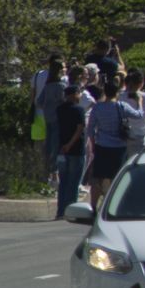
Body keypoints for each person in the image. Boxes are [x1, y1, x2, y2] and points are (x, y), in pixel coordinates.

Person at [84, 85, 143, 209]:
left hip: (102, 146)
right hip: (119, 147)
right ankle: (114, 205)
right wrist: (140, 102)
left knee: (98, 177)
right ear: (116, 93)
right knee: (116, 177)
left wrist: (94, 143)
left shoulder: (97, 107)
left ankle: (93, 206)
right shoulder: (121, 106)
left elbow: (90, 129)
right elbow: (139, 115)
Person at [53, 83, 88, 217]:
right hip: (76, 149)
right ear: (73, 95)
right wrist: (70, 144)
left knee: (64, 181)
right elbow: (79, 129)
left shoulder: (59, 109)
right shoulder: (78, 110)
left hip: (62, 149)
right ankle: (71, 211)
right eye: (78, 93)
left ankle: (60, 210)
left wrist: (64, 145)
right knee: (73, 182)